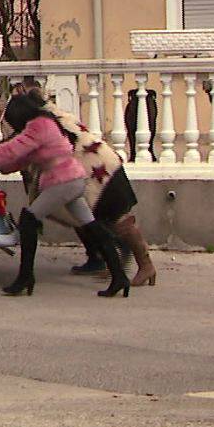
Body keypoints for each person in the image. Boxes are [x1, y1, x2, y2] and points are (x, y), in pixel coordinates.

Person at [0, 91, 131, 298]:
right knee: (92, 226)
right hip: (71, 180)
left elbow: (13, 150)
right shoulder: (43, 125)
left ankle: (25, 277)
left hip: (63, 182)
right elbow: (23, 158)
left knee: (28, 220)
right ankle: (119, 276)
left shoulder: (38, 126)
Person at [19, 89, 157, 287]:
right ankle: (101, 259)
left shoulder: (49, 123)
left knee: (115, 218)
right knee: (83, 217)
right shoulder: (57, 117)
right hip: (95, 168)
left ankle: (145, 265)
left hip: (100, 171)